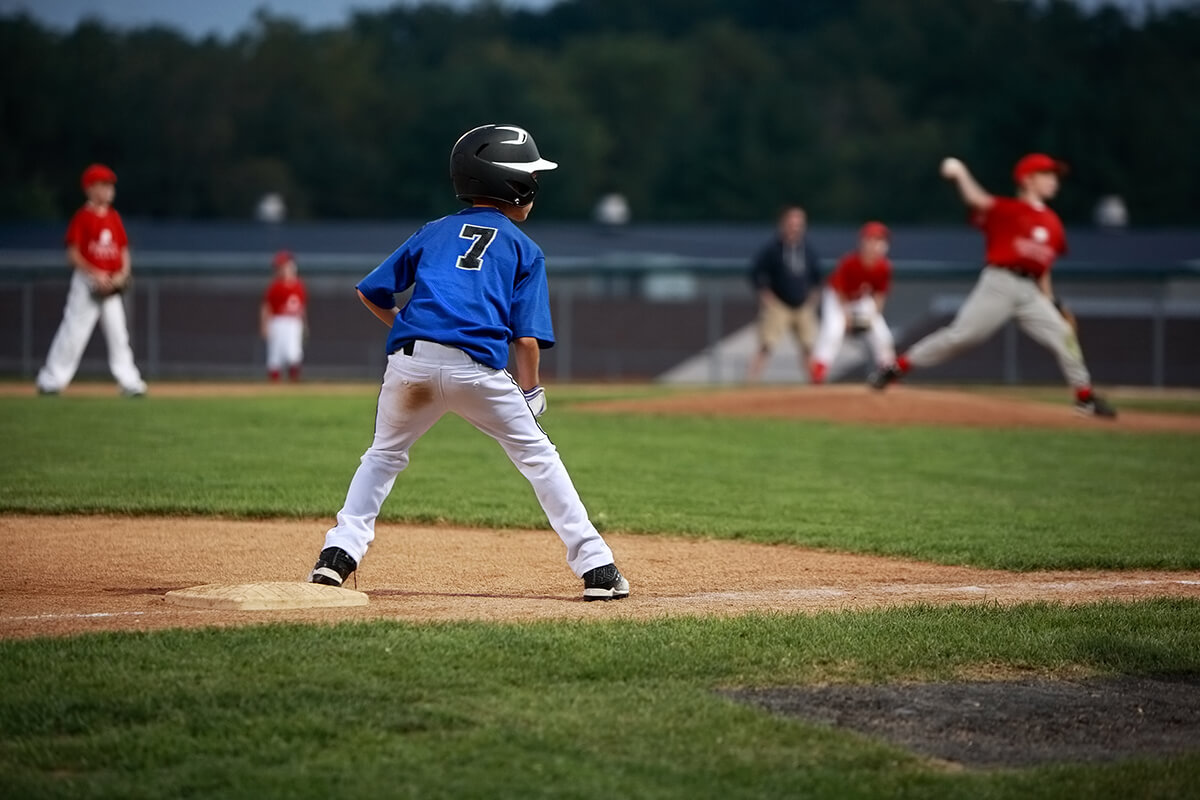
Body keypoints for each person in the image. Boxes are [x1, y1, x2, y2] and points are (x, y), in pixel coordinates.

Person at [308, 124, 630, 601]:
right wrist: (532, 391)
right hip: (477, 370)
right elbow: (525, 340)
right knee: (539, 458)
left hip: (410, 364)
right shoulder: (524, 248)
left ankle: (336, 558)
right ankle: (598, 569)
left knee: (382, 457)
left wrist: (404, 326)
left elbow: (371, 290)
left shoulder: (434, 231)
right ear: (514, 185)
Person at [869, 153, 1117, 419]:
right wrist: (961, 173)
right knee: (961, 337)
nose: (1053, 180)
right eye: (1047, 174)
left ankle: (1084, 397)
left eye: (1054, 175)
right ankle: (897, 367)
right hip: (1000, 283)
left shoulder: (1053, 223)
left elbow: (1043, 268)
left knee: (1064, 334)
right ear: (1027, 180)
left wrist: (1053, 303)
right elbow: (976, 199)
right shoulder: (1008, 210)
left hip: (1030, 291)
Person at [36, 164, 147, 397]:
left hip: (111, 283)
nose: (109, 189)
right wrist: (96, 273)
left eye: (110, 185)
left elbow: (123, 250)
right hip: (87, 282)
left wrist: (122, 274)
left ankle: (130, 382)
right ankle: (51, 380)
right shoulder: (83, 217)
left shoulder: (113, 217)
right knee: (73, 332)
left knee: (119, 334)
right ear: (89, 188)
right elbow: (73, 254)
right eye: (103, 185)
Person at [809, 221, 896, 384]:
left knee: (882, 335)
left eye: (880, 240)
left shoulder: (884, 267)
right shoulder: (850, 262)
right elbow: (840, 290)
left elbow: (879, 295)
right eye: (872, 239)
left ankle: (888, 373)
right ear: (863, 242)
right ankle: (819, 371)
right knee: (834, 330)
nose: (877, 244)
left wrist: (873, 317)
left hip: (860, 299)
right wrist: (846, 317)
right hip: (836, 298)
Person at [746, 205, 822, 381]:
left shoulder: (808, 250)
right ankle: (751, 382)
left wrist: (813, 297)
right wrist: (765, 294)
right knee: (766, 344)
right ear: (783, 224)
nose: (795, 228)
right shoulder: (773, 249)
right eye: (791, 223)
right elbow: (756, 273)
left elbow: (817, 278)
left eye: (799, 224)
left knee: (808, 346)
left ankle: (815, 385)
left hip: (802, 304)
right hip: (779, 304)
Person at [260, 250, 308, 382]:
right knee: (275, 355)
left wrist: (304, 324)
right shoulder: (275, 286)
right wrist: (264, 325)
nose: (281, 269)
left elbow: (302, 308)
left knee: (294, 354)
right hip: (278, 321)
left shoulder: (299, 285)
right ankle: (274, 384)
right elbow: (266, 307)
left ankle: (293, 382)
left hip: (294, 322)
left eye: (283, 266)